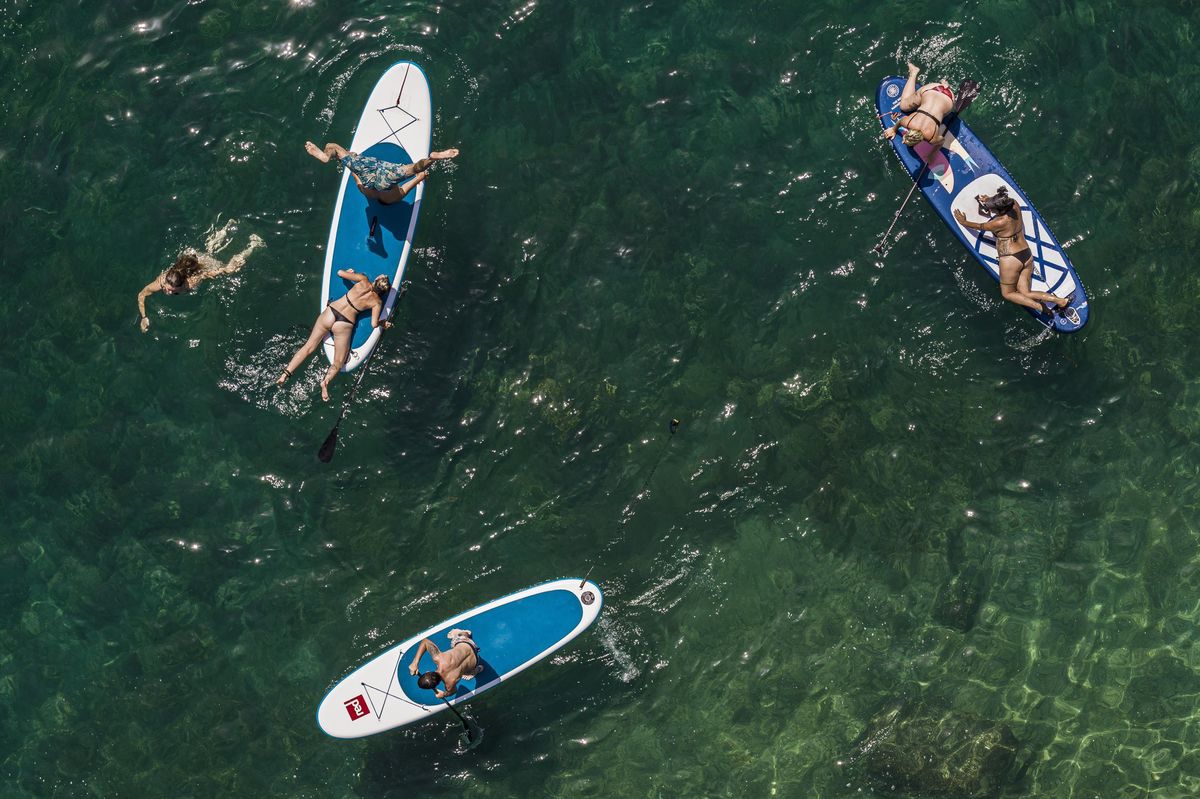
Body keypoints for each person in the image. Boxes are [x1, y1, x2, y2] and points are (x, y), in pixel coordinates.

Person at [953, 187, 1077, 322]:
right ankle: (1060, 301)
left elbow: (979, 226)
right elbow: (1003, 203)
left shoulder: (998, 222)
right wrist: (989, 200)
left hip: (1011, 259)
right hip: (1026, 255)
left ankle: (1039, 306)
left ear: (999, 210)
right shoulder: (1014, 205)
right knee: (1025, 292)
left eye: (992, 208)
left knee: (1008, 293)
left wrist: (963, 221)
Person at [276, 269, 393, 401]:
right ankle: (325, 382)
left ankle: (285, 374)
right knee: (338, 362)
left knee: (308, 346)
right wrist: (382, 322)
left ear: (376, 280)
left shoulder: (363, 279)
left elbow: (340, 273)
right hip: (344, 324)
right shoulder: (377, 302)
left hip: (331, 312)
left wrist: (349, 272)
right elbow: (373, 324)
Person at [137, 218, 264, 332]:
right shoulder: (162, 282)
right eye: (167, 288)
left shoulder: (191, 283)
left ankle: (253, 245)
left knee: (226, 267)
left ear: (182, 284)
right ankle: (225, 228)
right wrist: (143, 317)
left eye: (172, 291)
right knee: (209, 250)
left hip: (203, 266)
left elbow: (206, 274)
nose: (168, 292)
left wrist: (225, 270)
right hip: (190, 260)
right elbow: (142, 294)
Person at [304, 141, 460, 204]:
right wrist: (350, 160)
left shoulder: (391, 197)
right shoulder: (366, 192)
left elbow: (410, 184)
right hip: (370, 174)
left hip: (384, 178)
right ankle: (327, 155)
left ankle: (432, 159)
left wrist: (420, 178)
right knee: (334, 147)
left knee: (414, 169)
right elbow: (356, 177)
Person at [883, 62, 954, 149]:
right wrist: (893, 129)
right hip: (933, 90)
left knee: (904, 106)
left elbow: (942, 140)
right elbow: (900, 122)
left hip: (949, 98)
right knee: (904, 106)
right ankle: (943, 85)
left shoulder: (932, 138)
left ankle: (914, 73)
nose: (902, 141)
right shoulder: (908, 123)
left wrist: (932, 154)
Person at [408, 628, 484, 700]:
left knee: (468, 672)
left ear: (437, 685)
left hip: (475, 661)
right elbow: (425, 642)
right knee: (457, 638)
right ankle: (465, 633)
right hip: (468, 643)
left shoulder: (449, 683)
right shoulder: (438, 658)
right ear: (427, 671)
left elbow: (453, 692)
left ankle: (477, 670)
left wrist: (443, 694)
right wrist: (415, 662)